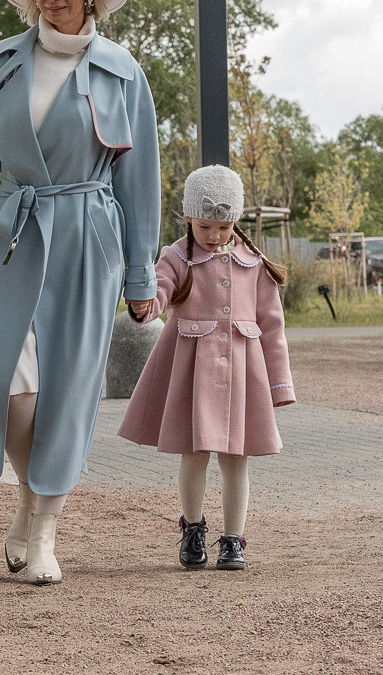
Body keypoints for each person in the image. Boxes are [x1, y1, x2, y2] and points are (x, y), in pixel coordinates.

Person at [0, 0, 159, 585]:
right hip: (9, 233)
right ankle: (31, 498)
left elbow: (138, 184)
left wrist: (141, 275)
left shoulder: (122, 72)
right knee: (4, 385)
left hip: (89, 235)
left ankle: (45, 528)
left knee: (68, 387)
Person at [118, 164, 295, 571]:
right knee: (193, 453)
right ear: (188, 218)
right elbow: (158, 291)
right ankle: (193, 529)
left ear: (236, 220)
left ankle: (234, 540)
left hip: (242, 374)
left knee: (237, 457)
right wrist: (145, 302)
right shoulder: (176, 257)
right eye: (204, 226)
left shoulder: (255, 264)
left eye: (222, 226)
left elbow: (272, 325)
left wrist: (280, 384)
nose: (214, 236)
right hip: (190, 372)